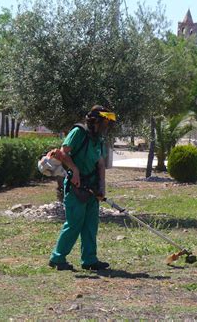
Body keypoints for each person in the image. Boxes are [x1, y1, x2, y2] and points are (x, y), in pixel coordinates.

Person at [48, 105, 116, 271]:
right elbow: (63, 153)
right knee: (74, 223)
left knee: (91, 224)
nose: (107, 126)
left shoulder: (98, 140)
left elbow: (100, 165)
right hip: (75, 186)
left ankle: (89, 260)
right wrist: (75, 170)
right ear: (96, 121)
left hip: (91, 187)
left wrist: (101, 189)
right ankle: (57, 258)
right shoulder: (79, 132)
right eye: (105, 122)